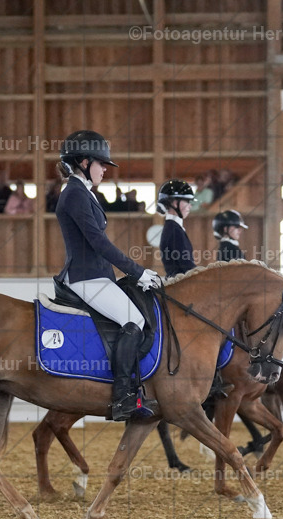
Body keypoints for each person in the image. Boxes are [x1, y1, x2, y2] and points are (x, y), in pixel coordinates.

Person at [55, 130, 162, 421]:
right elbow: (98, 243)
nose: (105, 169)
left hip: (99, 276)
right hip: (87, 277)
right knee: (135, 321)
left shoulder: (83, 193)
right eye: (101, 164)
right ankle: (123, 397)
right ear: (84, 162)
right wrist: (137, 271)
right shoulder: (75, 194)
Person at [156, 179, 196, 277]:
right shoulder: (174, 230)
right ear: (174, 203)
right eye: (187, 201)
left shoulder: (174, 227)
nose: (190, 206)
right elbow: (186, 265)